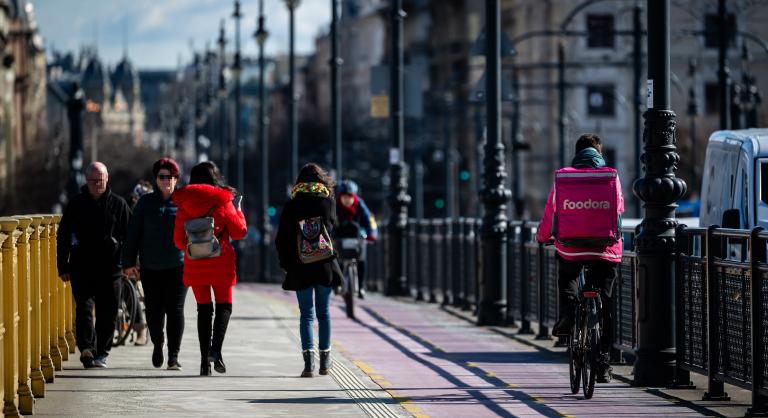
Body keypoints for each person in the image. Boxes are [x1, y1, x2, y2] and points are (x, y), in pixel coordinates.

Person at [535, 133, 624, 383]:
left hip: (571, 248)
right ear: (599, 153)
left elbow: (550, 213)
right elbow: (618, 213)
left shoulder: (564, 178)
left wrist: (542, 238)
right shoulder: (612, 177)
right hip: (605, 249)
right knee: (606, 304)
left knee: (567, 277)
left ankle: (568, 315)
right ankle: (603, 362)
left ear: (577, 154)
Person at [172, 161, 247, 376]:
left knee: (203, 310)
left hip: (195, 263)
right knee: (224, 307)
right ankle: (216, 350)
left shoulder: (184, 203)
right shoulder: (224, 200)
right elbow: (240, 232)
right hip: (221, 262)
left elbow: (178, 241)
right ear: (215, 179)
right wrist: (239, 211)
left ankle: (205, 362)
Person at [57, 162, 131, 369]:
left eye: (101, 180)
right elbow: (63, 236)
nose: (97, 184)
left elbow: (131, 236)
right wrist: (62, 266)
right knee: (85, 308)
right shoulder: (76, 204)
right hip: (82, 268)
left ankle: (102, 352)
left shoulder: (119, 205)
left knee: (108, 312)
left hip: (112, 269)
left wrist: (129, 263)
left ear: (107, 179)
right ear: (86, 182)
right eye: (93, 181)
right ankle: (87, 349)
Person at [275, 163, 342, 377]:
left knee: (306, 315)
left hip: (300, 267)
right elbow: (332, 229)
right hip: (324, 266)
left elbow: (281, 240)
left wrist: (286, 265)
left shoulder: (291, 205)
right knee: (323, 313)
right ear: (321, 180)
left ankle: (308, 365)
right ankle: (325, 362)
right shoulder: (327, 201)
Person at [123, 158, 187, 370]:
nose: (166, 180)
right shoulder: (145, 203)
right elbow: (133, 234)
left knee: (176, 310)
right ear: (156, 179)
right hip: (150, 268)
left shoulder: (184, 202)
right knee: (154, 311)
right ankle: (158, 343)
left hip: (178, 267)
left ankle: (174, 356)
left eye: (170, 177)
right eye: (162, 177)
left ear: (176, 179)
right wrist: (129, 262)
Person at [335, 179, 377, 298]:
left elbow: (370, 221)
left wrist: (372, 234)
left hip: (357, 237)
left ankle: (361, 286)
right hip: (340, 236)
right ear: (340, 196)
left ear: (354, 196)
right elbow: (328, 222)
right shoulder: (335, 206)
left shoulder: (360, 204)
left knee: (361, 259)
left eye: (350, 196)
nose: (347, 199)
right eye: (344, 196)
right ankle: (337, 282)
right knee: (338, 258)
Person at [127, 180, 154, 347]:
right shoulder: (128, 213)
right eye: (136, 199)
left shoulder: (155, 216)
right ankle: (140, 327)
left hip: (151, 263)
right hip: (133, 263)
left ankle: (149, 329)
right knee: (127, 286)